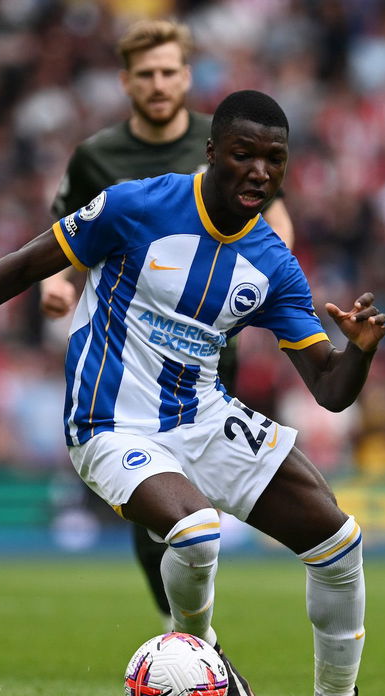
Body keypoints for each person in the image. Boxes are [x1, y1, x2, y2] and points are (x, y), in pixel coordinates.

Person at [0, 90, 385, 696]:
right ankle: (200, 654)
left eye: (273, 159)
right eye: (243, 154)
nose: (258, 171)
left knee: (338, 541)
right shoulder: (137, 206)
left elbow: (330, 389)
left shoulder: (273, 263)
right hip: (110, 423)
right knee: (195, 532)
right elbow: (25, 265)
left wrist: (357, 352)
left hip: (202, 415)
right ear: (211, 152)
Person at [42, 19, 294, 631]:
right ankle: (188, 637)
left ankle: (190, 634)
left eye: (169, 72)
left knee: (200, 509)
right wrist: (60, 282)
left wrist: (263, 291)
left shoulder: (225, 144)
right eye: (146, 74)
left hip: (208, 361)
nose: (158, 84)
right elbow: (66, 236)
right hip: (128, 362)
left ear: (187, 76)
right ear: (127, 82)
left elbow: (276, 225)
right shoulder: (98, 158)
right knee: (163, 512)